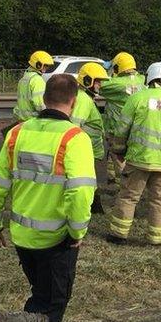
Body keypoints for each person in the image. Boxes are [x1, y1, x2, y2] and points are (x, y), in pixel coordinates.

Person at [0, 74, 96, 322]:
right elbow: (81, 193)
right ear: (73, 102)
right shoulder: (75, 138)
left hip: (22, 238)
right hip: (57, 241)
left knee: (40, 301)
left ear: (45, 98)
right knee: (49, 310)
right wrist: (77, 233)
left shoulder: (17, 133)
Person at [108, 62, 161, 245]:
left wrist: (119, 150)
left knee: (128, 197)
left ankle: (118, 235)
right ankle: (155, 238)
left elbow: (122, 129)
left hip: (139, 160)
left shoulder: (137, 99)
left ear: (149, 77)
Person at [100, 52, 146, 187]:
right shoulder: (142, 81)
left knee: (119, 158)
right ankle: (112, 179)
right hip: (135, 128)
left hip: (117, 128)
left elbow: (99, 84)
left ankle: (124, 187)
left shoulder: (114, 84)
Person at [73, 62, 108, 212]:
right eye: (98, 81)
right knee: (87, 180)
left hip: (89, 149)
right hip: (85, 150)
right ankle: (91, 206)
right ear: (88, 81)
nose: (100, 85)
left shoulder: (85, 98)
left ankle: (94, 205)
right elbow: (74, 126)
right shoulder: (83, 100)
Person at [14, 50, 55, 123]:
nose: (47, 68)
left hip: (22, 120)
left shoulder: (24, 78)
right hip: (34, 121)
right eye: (45, 65)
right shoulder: (37, 80)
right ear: (38, 65)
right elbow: (40, 105)